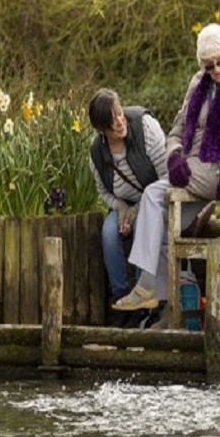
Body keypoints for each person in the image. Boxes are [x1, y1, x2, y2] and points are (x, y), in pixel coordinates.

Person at [112, 23, 220, 316]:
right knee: (155, 202)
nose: (217, 70)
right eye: (209, 66)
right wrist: (174, 156)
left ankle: (147, 288)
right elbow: (176, 132)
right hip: (192, 171)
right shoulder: (198, 84)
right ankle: (165, 305)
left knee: (157, 197)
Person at [88, 88, 167, 324]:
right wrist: (122, 208)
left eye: (120, 113)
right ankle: (122, 299)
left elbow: (167, 177)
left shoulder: (145, 128)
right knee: (109, 233)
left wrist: (137, 211)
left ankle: (145, 301)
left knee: (145, 225)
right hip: (125, 205)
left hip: (155, 200)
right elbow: (103, 192)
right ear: (101, 129)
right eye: (111, 121)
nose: (120, 122)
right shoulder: (96, 153)